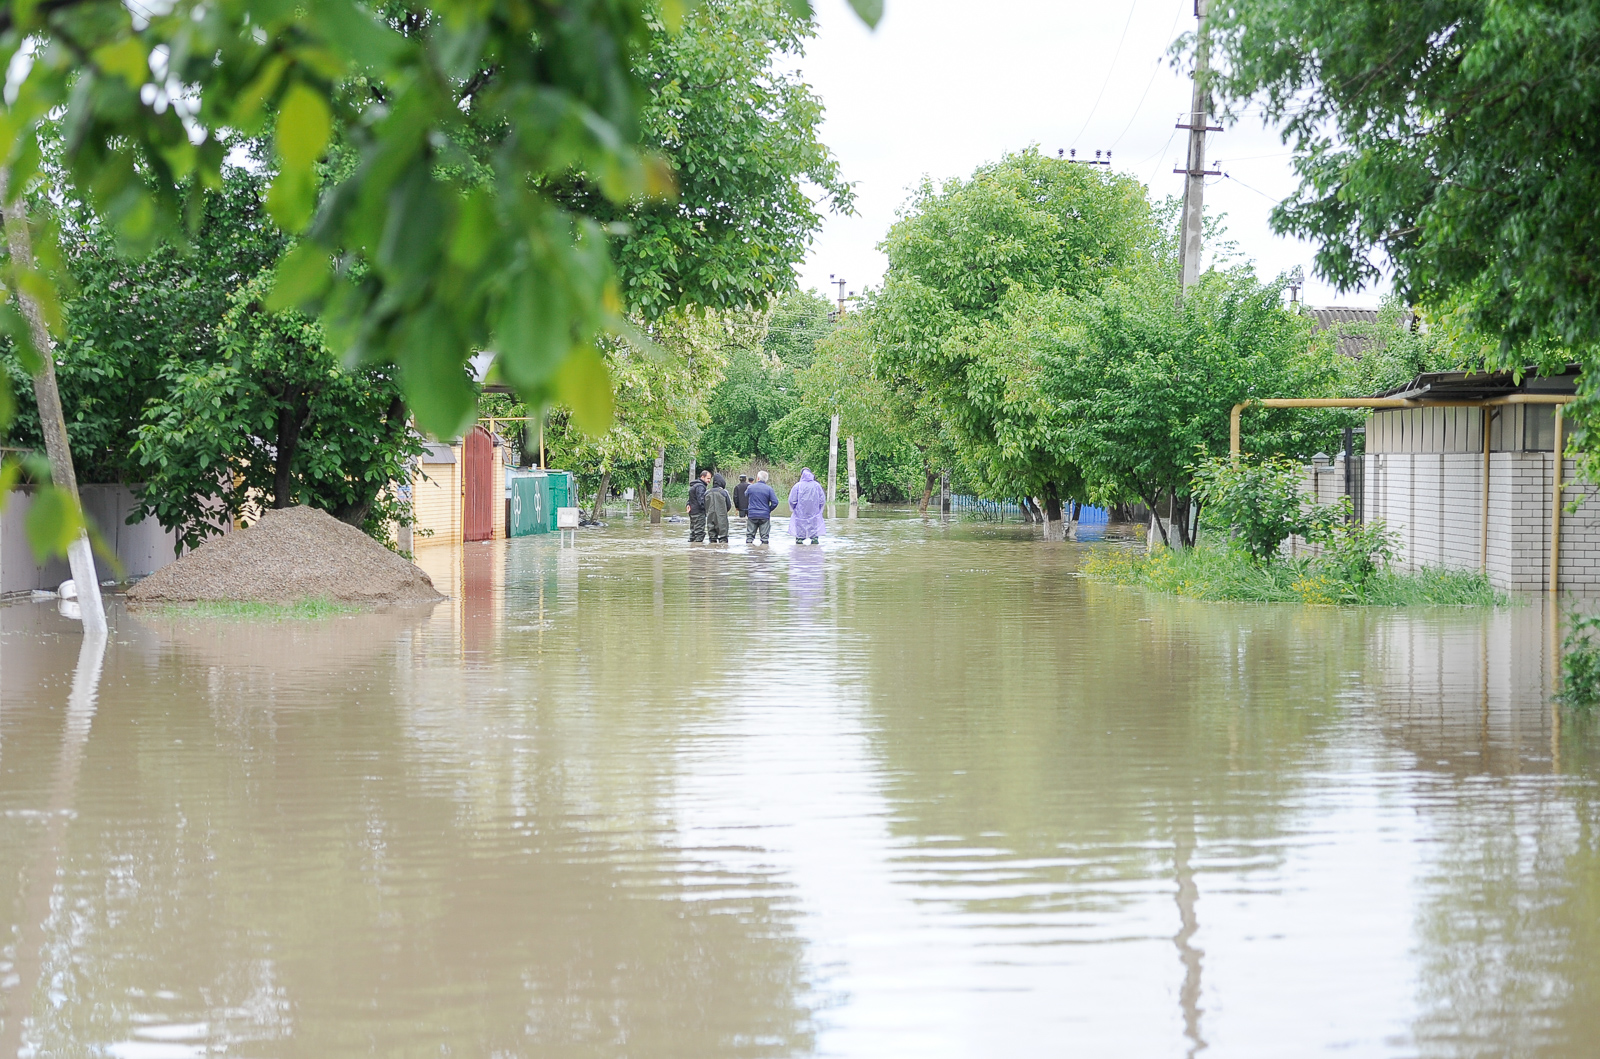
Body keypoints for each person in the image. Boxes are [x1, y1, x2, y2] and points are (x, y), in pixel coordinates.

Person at [788, 467, 825, 544]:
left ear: (801, 475)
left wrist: (794, 508)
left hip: (800, 513)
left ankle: (799, 545)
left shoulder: (797, 486)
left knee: (799, 535)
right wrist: (819, 509)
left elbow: (792, 500)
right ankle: (814, 545)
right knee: (814, 534)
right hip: (814, 513)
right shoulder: (817, 485)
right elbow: (822, 500)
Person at [744, 470, 779, 544]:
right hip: (764, 515)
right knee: (765, 538)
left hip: (752, 515)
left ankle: (749, 552)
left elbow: (745, 494)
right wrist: (768, 509)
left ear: (758, 478)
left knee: (749, 537)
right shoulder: (769, 489)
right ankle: (765, 552)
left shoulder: (750, 487)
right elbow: (775, 502)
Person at [686, 468, 712, 542]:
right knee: (699, 533)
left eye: (710, 479)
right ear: (702, 477)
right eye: (708, 478)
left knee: (693, 533)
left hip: (692, 512)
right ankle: (698, 551)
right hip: (698, 513)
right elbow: (701, 501)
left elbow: (691, 498)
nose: (709, 480)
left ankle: (692, 549)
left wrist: (688, 504)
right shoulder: (700, 487)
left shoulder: (694, 485)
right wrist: (706, 510)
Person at [707, 472, 733, 542]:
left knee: (712, 538)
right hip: (722, 517)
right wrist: (724, 511)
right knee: (723, 537)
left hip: (710, 517)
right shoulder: (724, 492)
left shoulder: (707, 493)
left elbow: (704, 505)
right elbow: (729, 505)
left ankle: (712, 551)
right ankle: (723, 551)